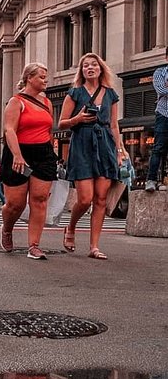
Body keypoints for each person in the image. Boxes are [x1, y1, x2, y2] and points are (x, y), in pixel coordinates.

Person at [58, 53, 123, 261]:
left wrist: (119, 151)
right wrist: (77, 119)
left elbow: (114, 125)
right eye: (86, 65)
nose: (90, 68)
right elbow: (61, 123)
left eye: (94, 64)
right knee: (85, 199)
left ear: (101, 68)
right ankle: (71, 227)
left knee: (101, 199)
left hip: (105, 145)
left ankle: (94, 246)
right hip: (82, 144)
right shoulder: (75, 93)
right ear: (82, 71)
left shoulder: (111, 94)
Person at [0, 62, 58, 260]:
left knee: (40, 200)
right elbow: (9, 130)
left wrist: (52, 151)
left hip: (43, 154)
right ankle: (7, 228)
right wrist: (17, 155)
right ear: (29, 78)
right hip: (19, 152)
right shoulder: (16, 102)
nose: (45, 81)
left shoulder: (47, 103)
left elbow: (49, 130)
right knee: (15, 204)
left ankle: (34, 246)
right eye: (41, 77)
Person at [145, 46, 168, 191]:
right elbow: (161, 89)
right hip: (163, 114)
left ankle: (164, 180)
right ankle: (151, 180)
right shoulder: (160, 72)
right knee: (158, 148)